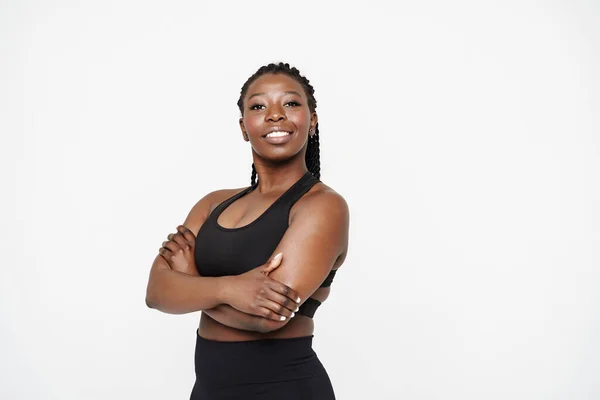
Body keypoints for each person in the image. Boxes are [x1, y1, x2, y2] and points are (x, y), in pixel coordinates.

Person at [145, 62, 350, 399]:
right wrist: (229, 289)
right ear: (244, 127)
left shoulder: (322, 206)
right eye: (258, 106)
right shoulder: (213, 204)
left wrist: (190, 281)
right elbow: (156, 292)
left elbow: (269, 317)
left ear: (312, 121)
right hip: (209, 390)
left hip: (284, 389)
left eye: (291, 103)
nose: (275, 115)